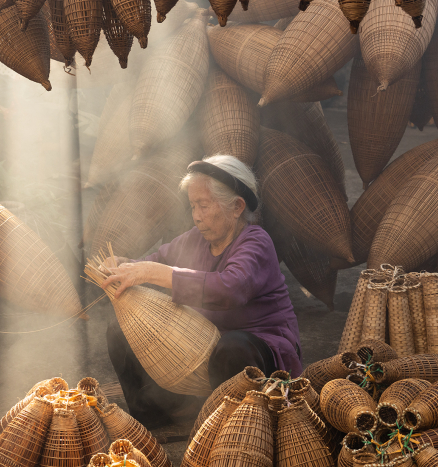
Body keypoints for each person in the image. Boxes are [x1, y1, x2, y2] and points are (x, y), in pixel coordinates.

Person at [100, 154, 302, 428]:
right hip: (201, 348)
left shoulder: (256, 242)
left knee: (232, 348)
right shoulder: (196, 239)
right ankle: (155, 412)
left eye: (204, 206)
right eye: (193, 206)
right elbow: (157, 260)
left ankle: (236, 426)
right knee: (120, 328)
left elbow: (230, 288)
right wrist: (124, 267)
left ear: (237, 207)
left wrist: (153, 273)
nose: (196, 216)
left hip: (256, 352)